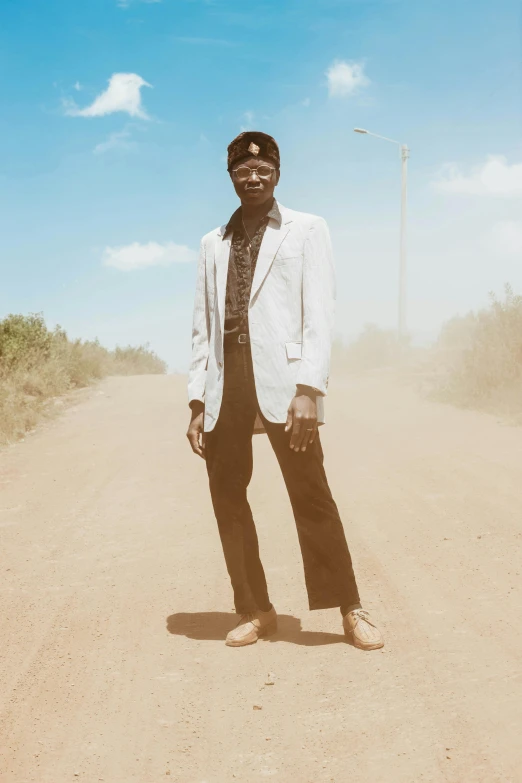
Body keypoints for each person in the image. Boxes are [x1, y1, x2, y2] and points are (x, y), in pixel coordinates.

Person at [186, 131, 383, 651]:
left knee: (311, 493)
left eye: (262, 170)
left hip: (289, 382)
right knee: (228, 498)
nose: (253, 178)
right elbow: (202, 326)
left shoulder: (307, 229)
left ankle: (350, 607)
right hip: (226, 385)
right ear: (230, 177)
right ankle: (255, 608)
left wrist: (309, 390)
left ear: (276, 172)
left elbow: (320, 314)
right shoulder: (213, 242)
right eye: (242, 172)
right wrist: (196, 400)